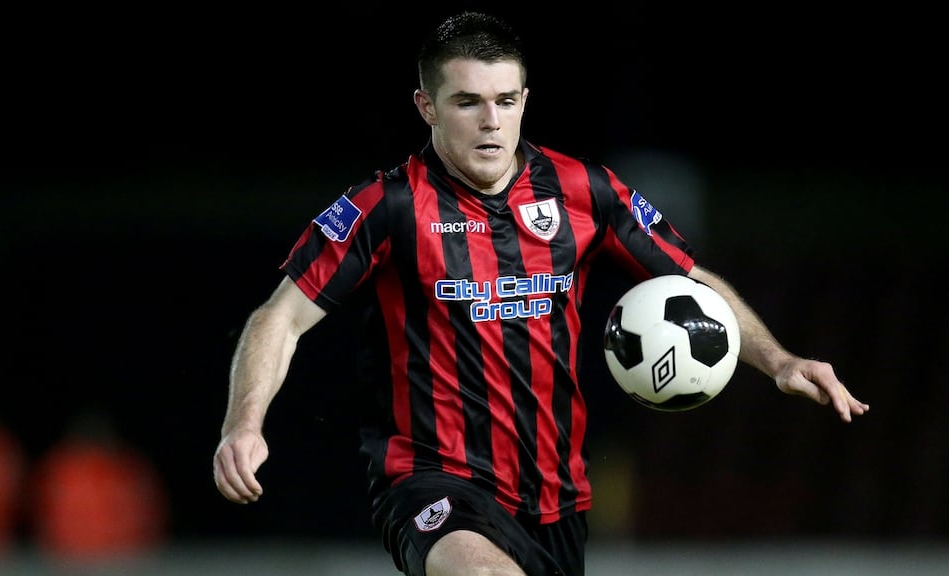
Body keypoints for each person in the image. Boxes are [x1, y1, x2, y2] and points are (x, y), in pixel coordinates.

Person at [213, 11, 870, 576]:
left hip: (557, 499)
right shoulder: (385, 206)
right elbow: (280, 317)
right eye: (467, 102)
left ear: (525, 99)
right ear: (426, 106)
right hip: (430, 483)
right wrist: (244, 424)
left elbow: (690, 283)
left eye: (506, 100)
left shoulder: (584, 191)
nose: (490, 122)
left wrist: (780, 361)